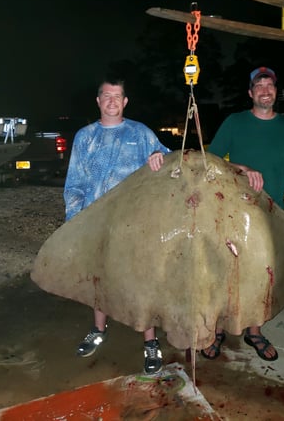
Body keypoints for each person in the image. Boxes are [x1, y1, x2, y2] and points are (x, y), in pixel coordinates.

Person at [201, 66, 284, 362]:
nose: (265, 90)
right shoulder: (235, 122)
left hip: (269, 214)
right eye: (259, 86)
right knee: (227, 273)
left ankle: (254, 331)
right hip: (233, 212)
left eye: (270, 85)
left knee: (263, 277)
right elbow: (210, 162)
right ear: (250, 93)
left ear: (276, 92)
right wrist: (243, 168)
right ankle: (219, 329)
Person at [64, 76, 171, 375]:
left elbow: (172, 158)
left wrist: (159, 156)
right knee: (99, 281)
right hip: (96, 223)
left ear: (125, 102)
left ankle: (150, 342)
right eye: (106, 95)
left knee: (141, 283)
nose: (112, 100)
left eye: (118, 96)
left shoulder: (141, 133)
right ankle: (98, 330)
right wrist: (75, 224)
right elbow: (74, 183)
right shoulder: (84, 137)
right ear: (98, 101)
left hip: (134, 224)